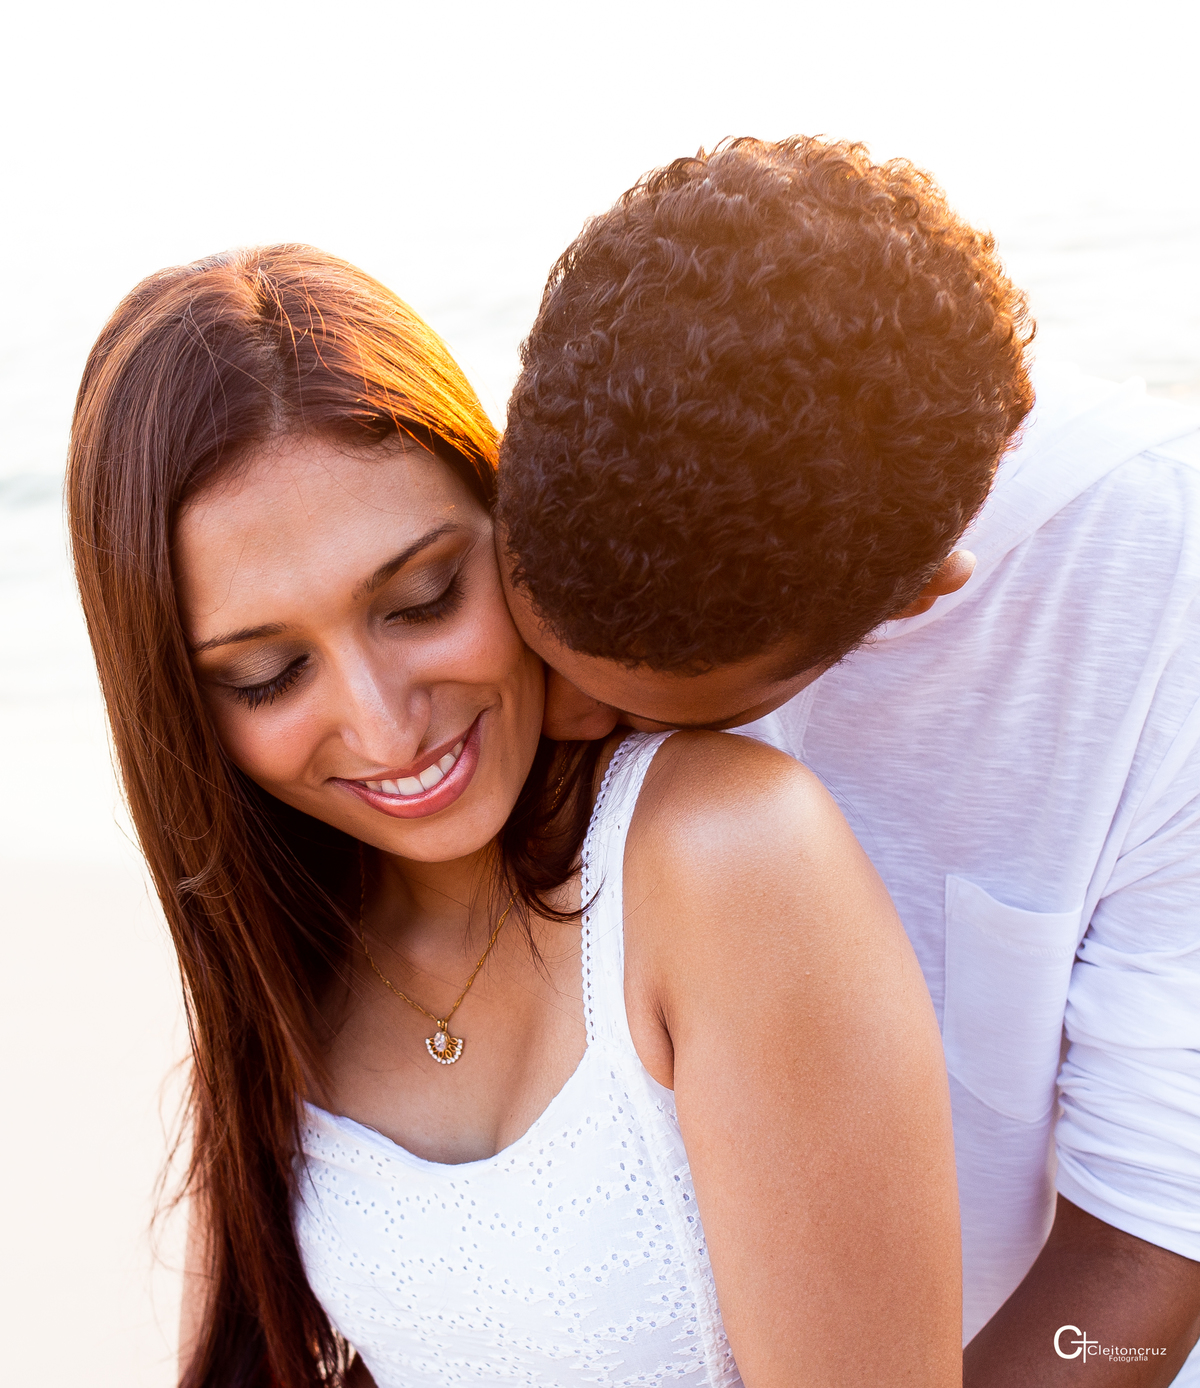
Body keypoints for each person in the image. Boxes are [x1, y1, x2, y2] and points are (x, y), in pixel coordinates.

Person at [67, 245, 961, 1388]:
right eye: (268, 675)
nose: (388, 728)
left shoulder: (722, 854)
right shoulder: (279, 975)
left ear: (511, 522)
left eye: (423, 598)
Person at [497, 137, 1200, 1385]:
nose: (554, 727)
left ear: (924, 596)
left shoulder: (1162, 593)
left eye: (629, 710)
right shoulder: (595, 451)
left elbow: (1155, 1254)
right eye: (544, 651)